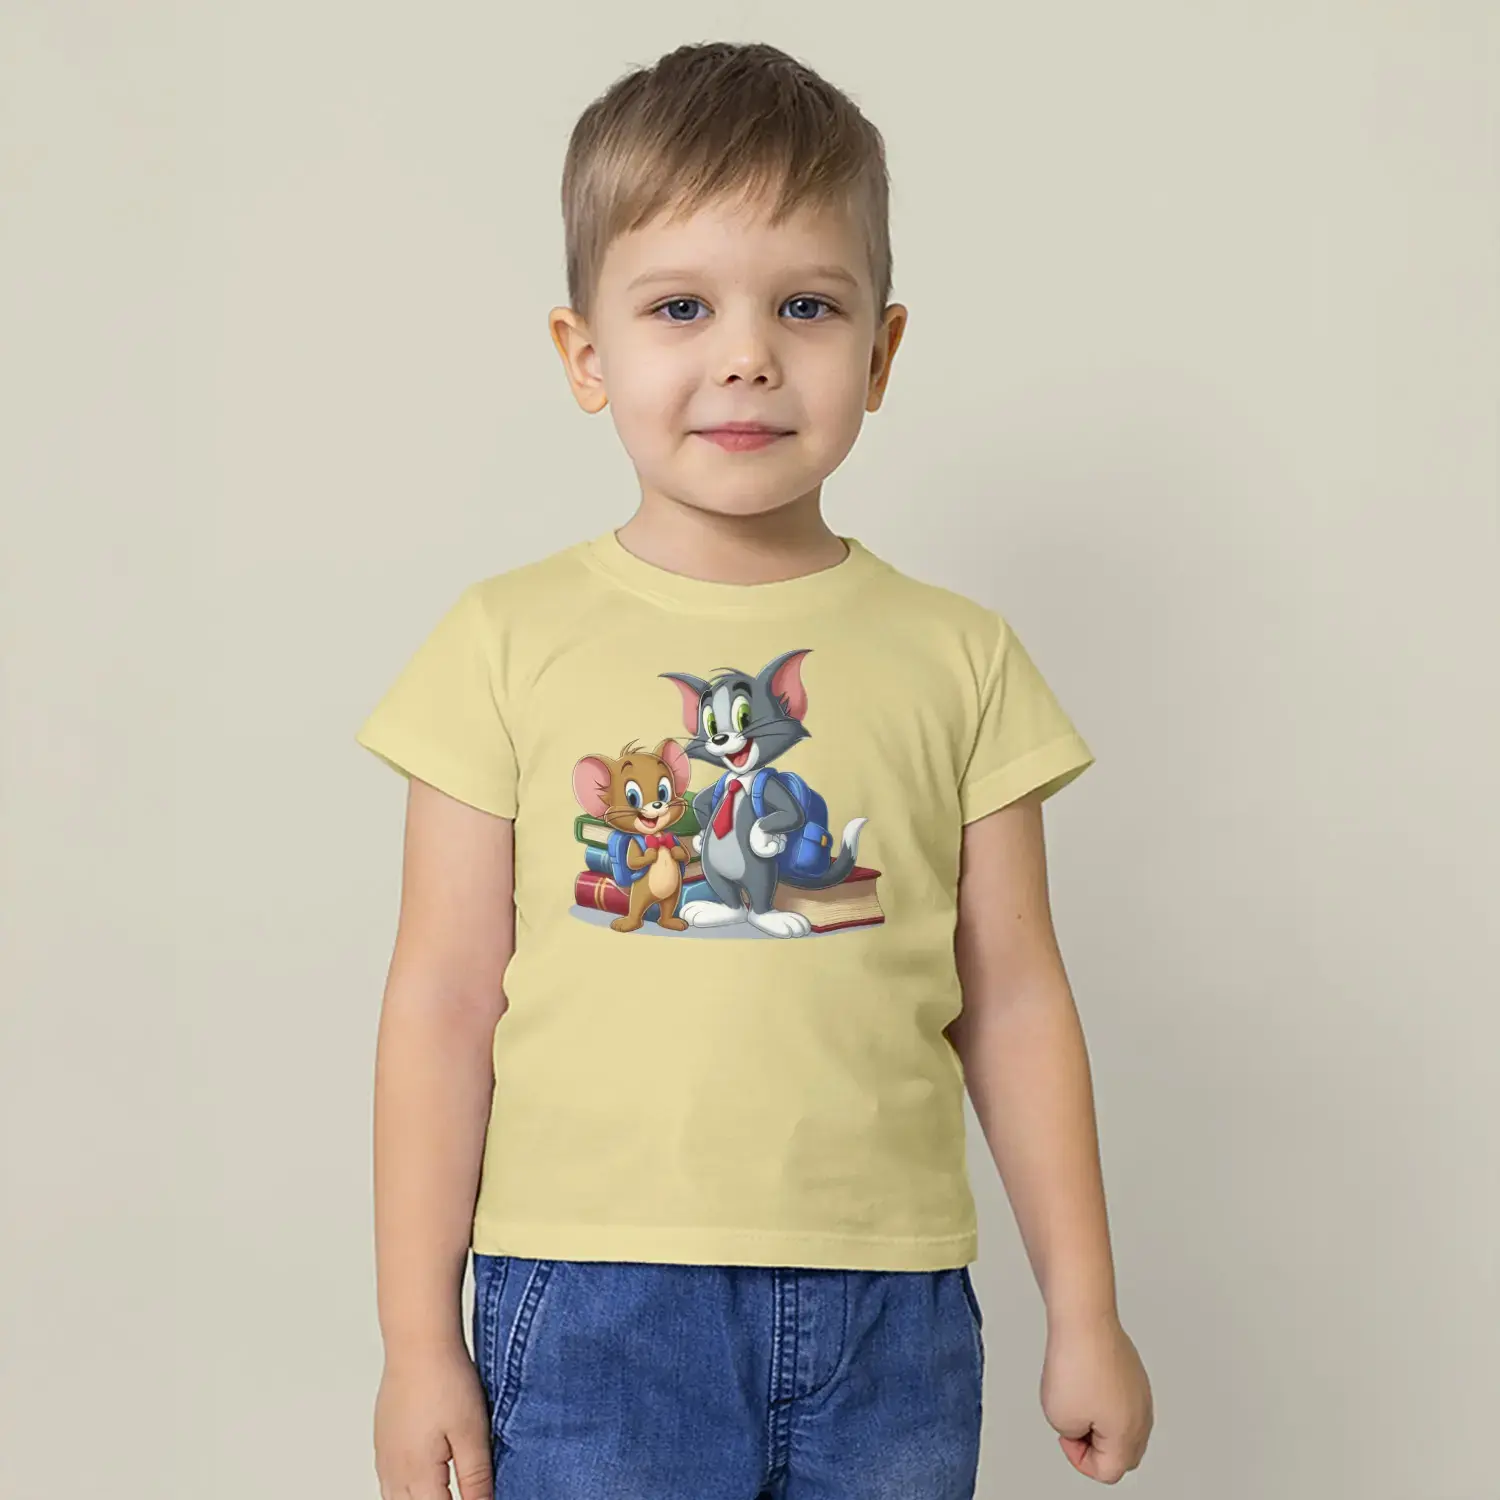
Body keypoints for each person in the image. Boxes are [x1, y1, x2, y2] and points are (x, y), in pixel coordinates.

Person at [357, 39, 1152, 1500]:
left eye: (805, 305)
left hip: (894, 1310)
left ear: (882, 352)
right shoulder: (502, 641)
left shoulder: (960, 655)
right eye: (681, 306)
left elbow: (1017, 999)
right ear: (585, 353)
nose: (746, 355)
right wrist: (417, 1342)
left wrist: (1086, 1309)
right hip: (592, 1303)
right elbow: (442, 1001)